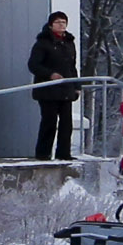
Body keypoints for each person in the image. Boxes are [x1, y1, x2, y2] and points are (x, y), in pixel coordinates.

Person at [28, 12, 81, 163]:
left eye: (64, 22)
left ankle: (63, 153)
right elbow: (33, 65)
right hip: (48, 90)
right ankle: (43, 153)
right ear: (51, 25)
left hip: (66, 89)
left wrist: (77, 86)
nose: (61, 25)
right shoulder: (43, 43)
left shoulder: (69, 43)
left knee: (66, 123)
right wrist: (50, 74)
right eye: (58, 22)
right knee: (49, 122)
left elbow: (72, 67)